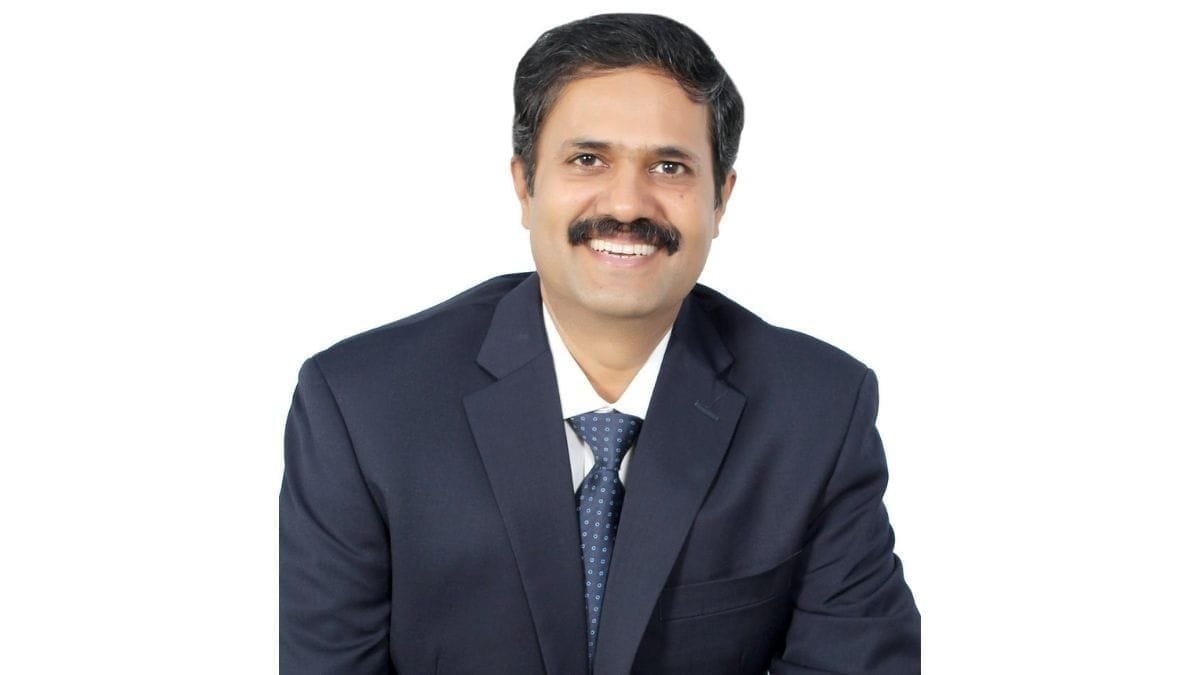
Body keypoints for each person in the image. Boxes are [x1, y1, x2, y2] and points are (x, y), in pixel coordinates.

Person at [279, 12, 920, 674]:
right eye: (588, 160)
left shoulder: (819, 411)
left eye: (669, 166)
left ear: (720, 200)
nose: (626, 205)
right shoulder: (360, 407)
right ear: (525, 184)